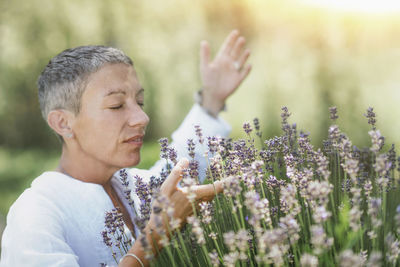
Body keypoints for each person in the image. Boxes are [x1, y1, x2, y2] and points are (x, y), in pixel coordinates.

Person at [0, 30, 251, 266]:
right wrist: (154, 238)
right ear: (63, 123)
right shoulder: (35, 214)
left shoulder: (131, 187)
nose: (142, 118)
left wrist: (212, 100)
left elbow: (180, 163)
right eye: (117, 105)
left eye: (139, 101)